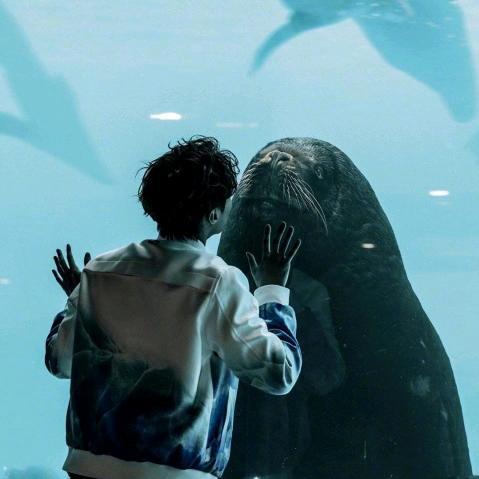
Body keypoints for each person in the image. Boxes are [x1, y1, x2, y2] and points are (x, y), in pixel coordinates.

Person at [45, 135, 302, 479]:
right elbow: (278, 374)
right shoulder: (219, 282)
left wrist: (77, 299)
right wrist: (272, 291)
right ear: (214, 213)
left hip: (86, 470)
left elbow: (60, 362)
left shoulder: (99, 272)